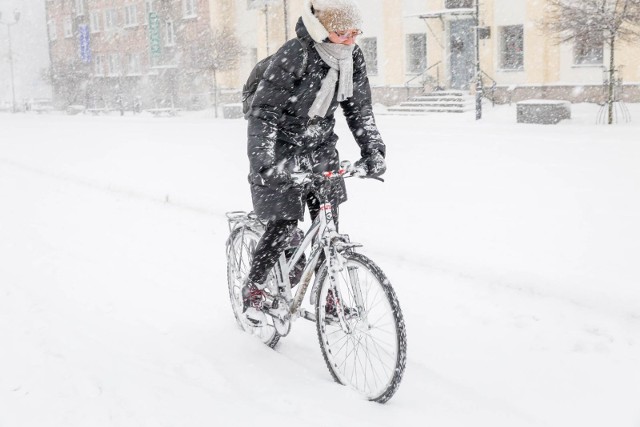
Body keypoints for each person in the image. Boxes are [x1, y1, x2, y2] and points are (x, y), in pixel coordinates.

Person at [242, 0, 386, 325]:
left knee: (328, 227)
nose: (350, 39)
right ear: (321, 29)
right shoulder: (295, 54)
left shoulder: (353, 57)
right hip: (279, 148)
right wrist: (264, 162)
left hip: (321, 148)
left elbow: (359, 109)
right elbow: (264, 112)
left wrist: (372, 150)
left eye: (354, 32)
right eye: (341, 32)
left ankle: (330, 298)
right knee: (284, 225)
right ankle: (254, 289)